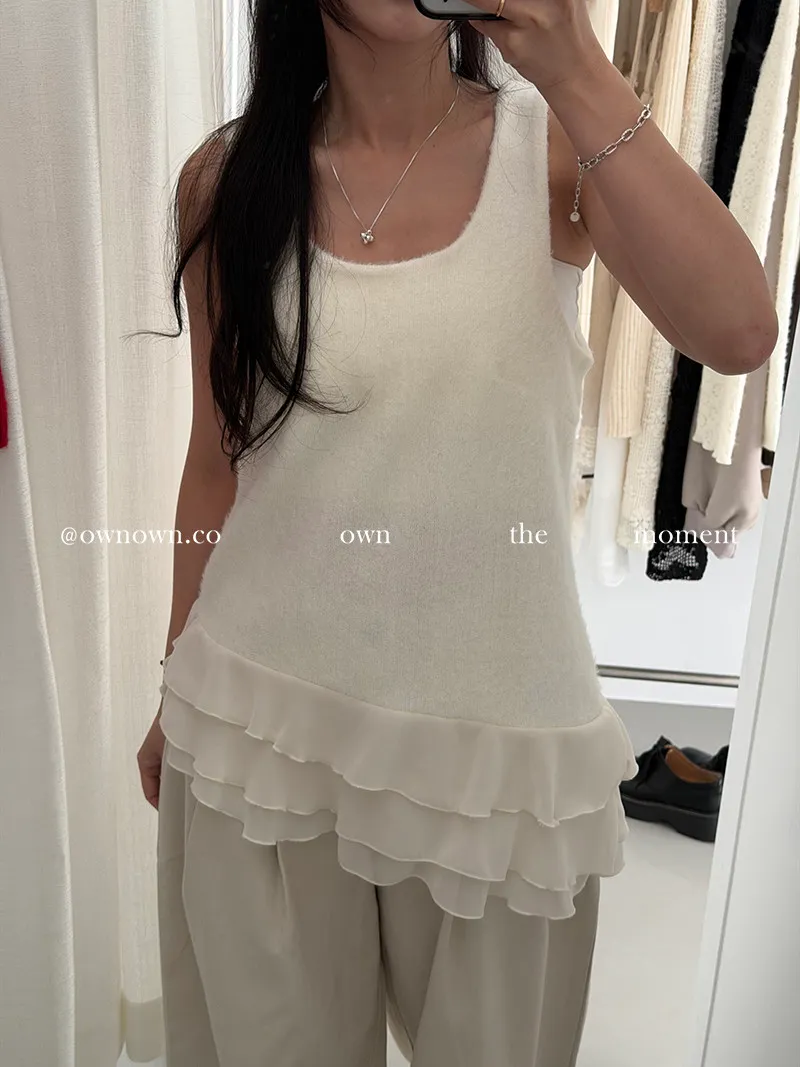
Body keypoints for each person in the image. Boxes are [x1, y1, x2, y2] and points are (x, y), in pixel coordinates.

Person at [137, 1, 778, 1064]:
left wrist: (577, 66)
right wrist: (173, 677)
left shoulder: (554, 147)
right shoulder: (226, 180)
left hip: (500, 752)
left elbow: (740, 328)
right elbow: (216, 459)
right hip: (256, 728)